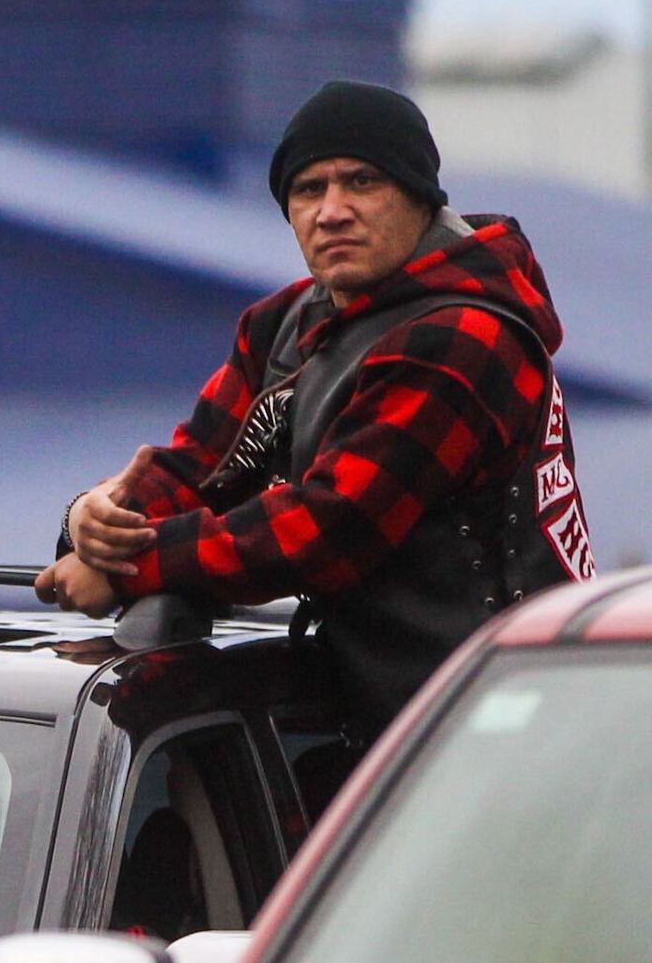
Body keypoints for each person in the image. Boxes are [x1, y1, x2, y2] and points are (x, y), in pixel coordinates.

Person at [35, 80, 593, 724]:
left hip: (503, 718)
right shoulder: (286, 322)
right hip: (385, 711)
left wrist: (132, 568)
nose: (332, 211)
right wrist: (96, 520)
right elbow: (200, 467)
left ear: (419, 197)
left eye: (362, 183)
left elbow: (329, 529)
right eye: (309, 189)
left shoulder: (464, 336)